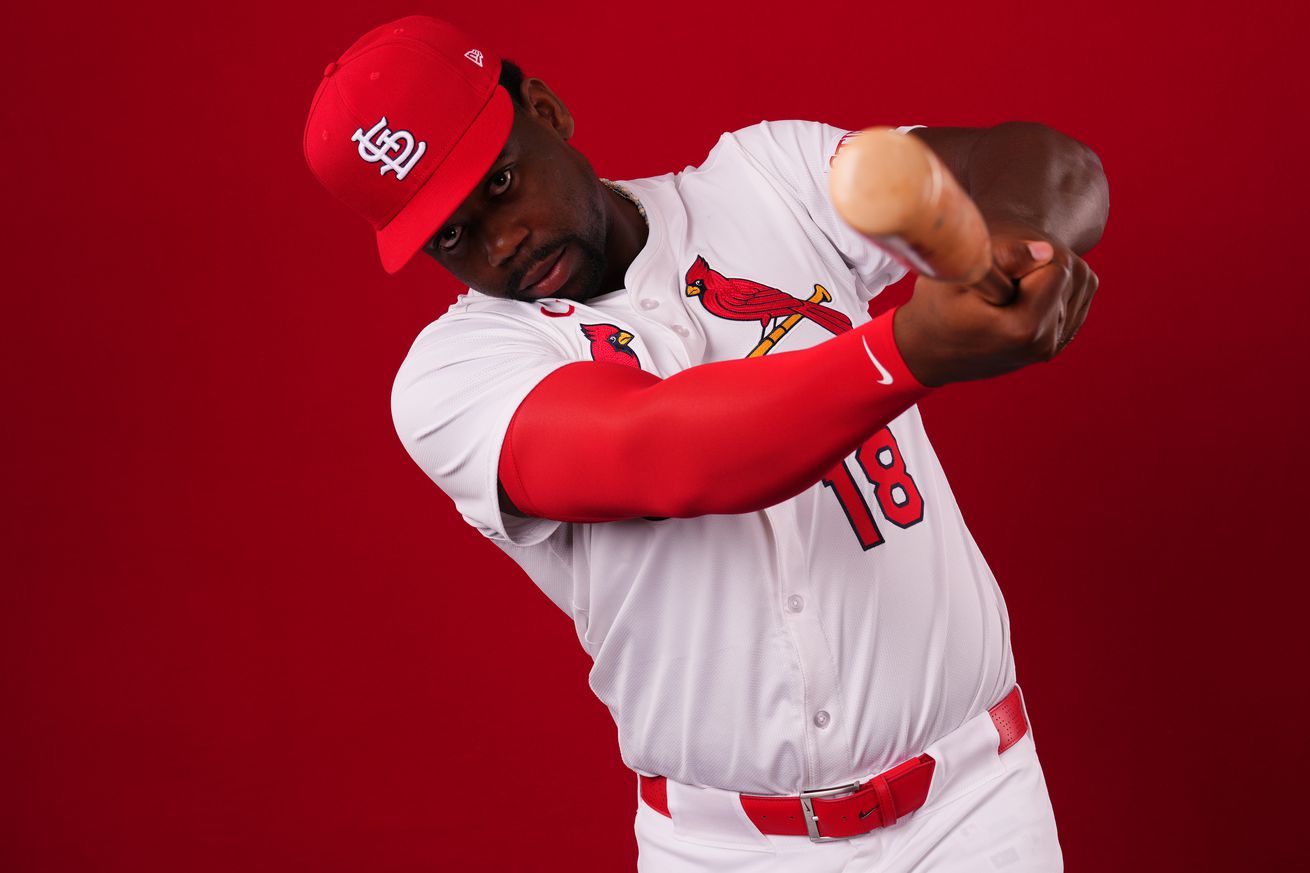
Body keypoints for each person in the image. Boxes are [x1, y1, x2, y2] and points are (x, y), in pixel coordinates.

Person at [303, 15, 1107, 872]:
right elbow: (662, 450)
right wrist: (908, 350)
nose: (502, 242)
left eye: (500, 184)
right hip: (729, 850)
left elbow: (1051, 169)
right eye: (452, 236)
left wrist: (1016, 247)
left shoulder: (768, 179)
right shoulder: (452, 378)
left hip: (975, 810)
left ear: (545, 107)